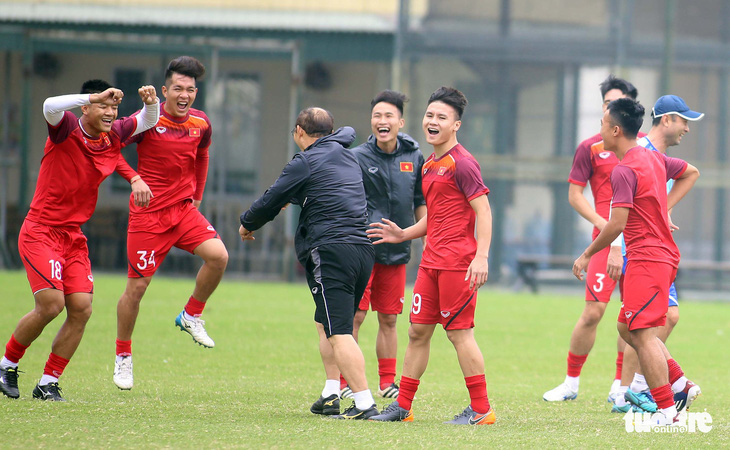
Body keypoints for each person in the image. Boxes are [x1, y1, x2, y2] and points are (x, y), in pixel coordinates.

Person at [0, 80, 159, 401]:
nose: (110, 112)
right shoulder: (66, 128)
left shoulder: (113, 135)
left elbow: (147, 120)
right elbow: (48, 105)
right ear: (86, 107)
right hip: (41, 231)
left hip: (73, 237)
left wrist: (152, 101)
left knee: (82, 309)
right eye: (103, 106)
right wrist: (91, 96)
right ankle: (7, 364)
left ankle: (48, 382)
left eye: (114, 107)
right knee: (51, 304)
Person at [239, 107, 378, 420]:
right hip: (361, 249)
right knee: (325, 322)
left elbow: (272, 198)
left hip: (330, 250)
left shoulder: (305, 160)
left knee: (338, 330)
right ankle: (331, 393)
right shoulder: (349, 157)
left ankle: (365, 402)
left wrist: (247, 224)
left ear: (299, 131)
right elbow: (331, 191)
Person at [368, 87, 495, 425]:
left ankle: (482, 410)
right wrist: (404, 233)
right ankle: (402, 407)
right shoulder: (430, 164)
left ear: (456, 125)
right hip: (430, 264)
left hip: (457, 264)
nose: (433, 122)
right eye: (430, 115)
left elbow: (484, 212)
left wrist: (481, 257)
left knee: (459, 334)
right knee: (417, 333)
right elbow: (436, 216)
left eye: (442, 117)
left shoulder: (463, 163)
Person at [572, 97, 700, 424]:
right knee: (626, 327)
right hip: (657, 255)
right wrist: (663, 209)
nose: (599, 129)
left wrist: (587, 254)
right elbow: (687, 173)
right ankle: (680, 382)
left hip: (647, 257)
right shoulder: (650, 156)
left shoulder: (624, 169)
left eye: (602, 124)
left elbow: (616, 223)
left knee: (642, 334)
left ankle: (667, 411)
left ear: (615, 130)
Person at [113, 56, 228, 390]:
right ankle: (123, 355)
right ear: (165, 90)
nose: (184, 93)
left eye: (190, 89)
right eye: (178, 87)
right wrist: (134, 179)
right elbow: (111, 148)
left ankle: (191, 314)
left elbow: (203, 154)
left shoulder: (202, 123)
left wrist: (198, 196)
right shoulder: (148, 118)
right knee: (136, 289)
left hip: (183, 211)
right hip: (148, 216)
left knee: (219, 257)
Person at [544, 75, 639, 403]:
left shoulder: (640, 151)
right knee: (593, 312)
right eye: (605, 103)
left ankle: (620, 386)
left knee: (632, 316)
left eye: (616, 102)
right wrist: (604, 224)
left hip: (638, 245)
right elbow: (574, 194)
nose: (609, 109)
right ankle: (570, 382)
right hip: (605, 241)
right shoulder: (591, 148)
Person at [611, 94, 704, 413]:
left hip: (651, 253)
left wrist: (665, 209)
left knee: (643, 325)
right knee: (633, 326)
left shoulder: (653, 156)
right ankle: (635, 390)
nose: (687, 129)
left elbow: (690, 174)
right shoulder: (637, 153)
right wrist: (613, 247)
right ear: (666, 119)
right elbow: (618, 210)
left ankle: (644, 391)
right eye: (684, 121)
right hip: (636, 252)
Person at [339, 90, 426, 400]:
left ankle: (387, 382)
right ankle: (346, 382)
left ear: (400, 122)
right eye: (377, 116)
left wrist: (423, 235)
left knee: (389, 318)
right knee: (355, 316)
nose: (382, 121)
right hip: (362, 249)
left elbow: (420, 202)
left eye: (389, 115)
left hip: (398, 251)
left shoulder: (414, 156)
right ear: (371, 121)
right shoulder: (357, 156)